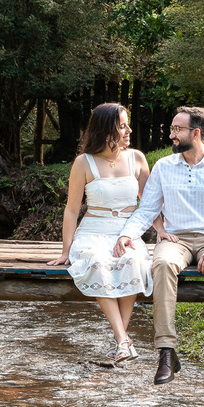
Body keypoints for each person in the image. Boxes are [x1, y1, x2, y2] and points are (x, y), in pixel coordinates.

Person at [114, 106, 204, 385]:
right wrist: (126, 234)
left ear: (195, 133)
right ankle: (166, 353)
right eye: (172, 129)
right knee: (161, 263)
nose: (171, 134)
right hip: (176, 239)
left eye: (177, 129)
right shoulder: (164, 167)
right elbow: (146, 210)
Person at [48, 103, 158, 361]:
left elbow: (152, 204)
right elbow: (72, 210)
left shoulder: (137, 159)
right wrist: (66, 250)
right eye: (122, 126)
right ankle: (123, 340)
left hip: (127, 232)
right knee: (98, 262)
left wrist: (162, 231)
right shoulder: (83, 163)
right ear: (106, 130)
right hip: (93, 232)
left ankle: (120, 340)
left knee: (131, 260)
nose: (129, 130)